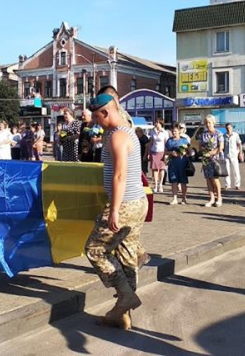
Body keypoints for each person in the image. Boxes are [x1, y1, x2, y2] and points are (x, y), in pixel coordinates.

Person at [85, 93, 148, 330]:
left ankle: (125, 295)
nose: (94, 121)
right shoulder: (116, 131)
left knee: (95, 249)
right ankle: (122, 314)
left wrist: (114, 210)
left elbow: (120, 175)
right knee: (127, 256)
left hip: (125, 204)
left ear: (106, 113)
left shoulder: (119, 135)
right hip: (135, 202)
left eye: (96, 116)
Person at [200, 115, 224, 207]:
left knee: (215, 179)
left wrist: (211, 153)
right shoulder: (203, 134)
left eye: (209, 122)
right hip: (206, 160)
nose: (208, 124)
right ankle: (211, 198)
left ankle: (219, 198)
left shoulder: (218, 133)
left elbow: (220, 147)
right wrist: (204, 151)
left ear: (214, 123)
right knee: (208, 179)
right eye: (206, 122)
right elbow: (200, 146)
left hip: (215, 159)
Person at [165, 123, 190, 205]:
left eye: (175, 131)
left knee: (183, 181)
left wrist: (183, 152)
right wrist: (171, 152)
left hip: (182, 162)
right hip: (173, 163)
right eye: (173, 131)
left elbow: (189, 151)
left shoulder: (184, 140)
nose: (174, 133)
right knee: (174, 181)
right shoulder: (169, 141)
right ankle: (175, 198)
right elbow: (165, 151)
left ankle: (183, 198)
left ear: (179, 131)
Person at [147, 118, 168, 193]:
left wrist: (166, 154)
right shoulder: (153, 131)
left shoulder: (165, 132)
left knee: (162, 169)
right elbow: (151, 142)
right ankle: (155, 185)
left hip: (162, 152)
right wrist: (149, 153)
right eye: (156, 122)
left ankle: (160, 185)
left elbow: (166, 143)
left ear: (161, 124)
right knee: (155, 169)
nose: (156, 124)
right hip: (154, 151)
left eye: (158, 123)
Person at [224, 123, 243, 190]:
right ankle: (227, 185)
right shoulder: (224, 135)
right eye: (227, 128)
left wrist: (240, 153)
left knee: (236, 170)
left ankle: (237, 185)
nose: (228, 129)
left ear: (232, 128)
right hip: (226, 155)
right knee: (226, 171)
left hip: (234, 154)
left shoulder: (235, 135)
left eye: (229, 127)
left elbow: (239, 144)